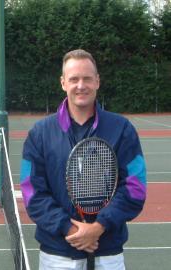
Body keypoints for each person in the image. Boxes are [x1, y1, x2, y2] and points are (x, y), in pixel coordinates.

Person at [20, 49, 146, 270]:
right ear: (63, 83)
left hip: (107, 253)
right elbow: (32, 193)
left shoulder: (122, 129)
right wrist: (69, 229)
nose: (81, 85)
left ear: (97, 81)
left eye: (87, 78)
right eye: (74, 79)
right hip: (57, 255)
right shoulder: (39, 133)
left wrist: (99, 226)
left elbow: (135, 188)